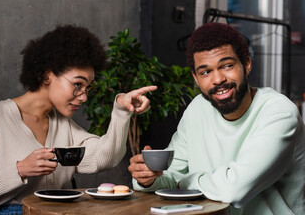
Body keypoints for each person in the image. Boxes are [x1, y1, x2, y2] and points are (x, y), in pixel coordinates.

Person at [0, 24, 157, 214]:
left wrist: (121, 109)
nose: (84, 97)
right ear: (48, 75)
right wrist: (19, 169)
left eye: (87, 88)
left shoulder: (63, 125)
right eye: (77, 84)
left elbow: (106, 157)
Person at [128, 22, 305, 215]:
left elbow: (234, 189)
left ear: (246, 64)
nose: (218, 79)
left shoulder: (279, 112)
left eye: (227, 66)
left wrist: (184, 182)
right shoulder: (198, 108)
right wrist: (149, 178)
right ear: (196, 78)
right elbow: (171, 177)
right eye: (205, 72)